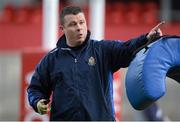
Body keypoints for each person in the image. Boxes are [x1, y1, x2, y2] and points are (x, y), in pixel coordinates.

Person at [27, 6, 165, 121]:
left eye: (82, 22)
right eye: (73, 24)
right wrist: (37, 101)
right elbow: (35, 88)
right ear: (62, 29)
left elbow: (127, 48)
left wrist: (146, 38)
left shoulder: (102, 50)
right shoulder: (51, 59)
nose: (79, 28)